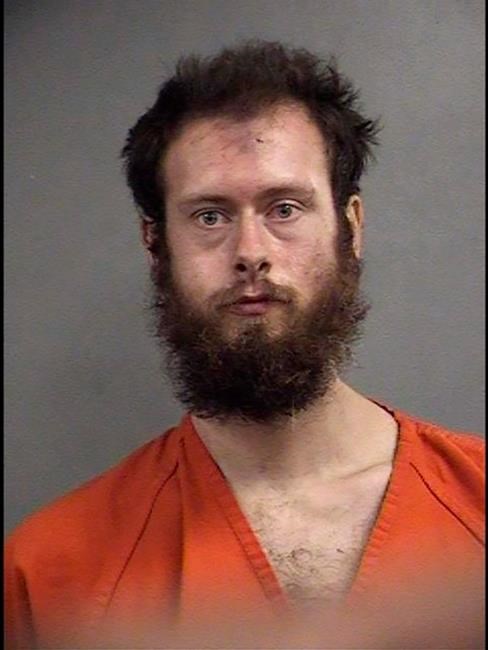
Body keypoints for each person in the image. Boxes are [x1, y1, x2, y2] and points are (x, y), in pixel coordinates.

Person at [5, 41, 484, 649]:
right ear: (155, 245)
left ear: (351, 227)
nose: (250, 252)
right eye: (210, 216)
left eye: (285, 208)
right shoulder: (50, 572)